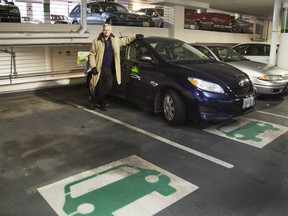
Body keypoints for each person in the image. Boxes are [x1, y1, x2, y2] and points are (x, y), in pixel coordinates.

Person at [89, 24, 143, 111]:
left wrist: (135, 36)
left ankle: (94, 100)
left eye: (108, 30)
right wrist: (93, 66)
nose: (106, 32)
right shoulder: (96, 41)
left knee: (109, 86)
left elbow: (126, 40)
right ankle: (101, 102)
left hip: (109, 68)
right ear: (102, 30)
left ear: (111, 31)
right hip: (100, 68)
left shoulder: (115, 40)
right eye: (105, 30)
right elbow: (92, 54)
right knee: (100, 86)